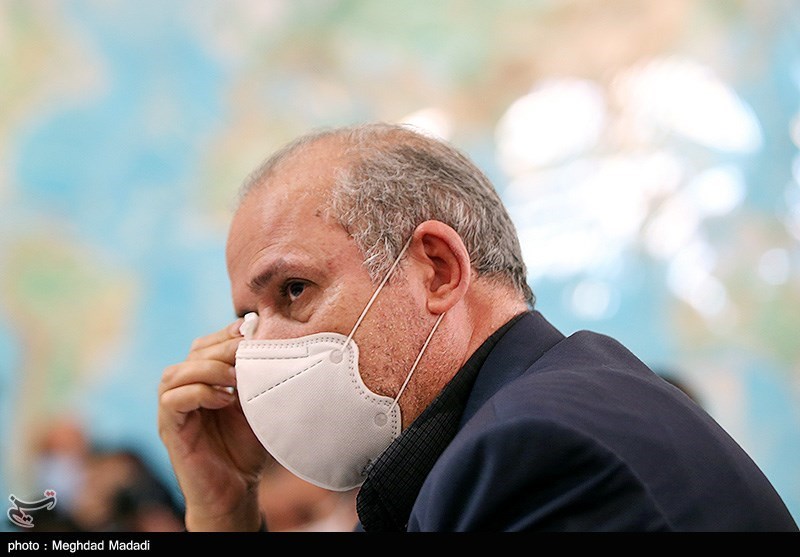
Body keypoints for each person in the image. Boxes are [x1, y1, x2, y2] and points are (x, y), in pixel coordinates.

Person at [157, 122, 799, 532]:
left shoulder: (531, 452)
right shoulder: (533, 413)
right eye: (248, 319)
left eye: (294, 290)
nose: (256, 351)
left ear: (437, 270)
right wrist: (225, 510)